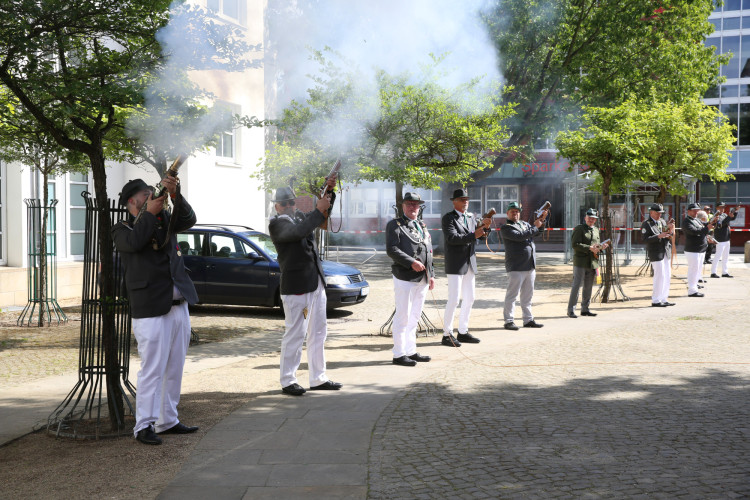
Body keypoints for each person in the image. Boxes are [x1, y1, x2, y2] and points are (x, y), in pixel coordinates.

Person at [112, 177, 200, 446]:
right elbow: (136, 242)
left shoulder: (164, 219)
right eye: (145, 195)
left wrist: (176, 194)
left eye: (153, 193)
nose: (152, 197)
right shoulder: (122, 228)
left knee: (175, 366)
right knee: (152, 369)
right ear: (132, 202)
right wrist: (150, 214)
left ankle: (168, 419)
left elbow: (189, 219)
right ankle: (144, 426)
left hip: (178, 305)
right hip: (150, 308)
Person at [268, 180, 342, 396]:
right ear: (277, 206)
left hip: (314, 282)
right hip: (297, 286)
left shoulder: (299, 217)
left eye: (291, 201)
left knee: (319, 332)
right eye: (284, 203)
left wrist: (329, 192)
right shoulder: (277, 224)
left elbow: (317, 216)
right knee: (295, 334)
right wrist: (318, 210)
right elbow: (300, 231)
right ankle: (288, 380)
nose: (290, 205)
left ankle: (318, 378)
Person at [386, 192, 435, 366]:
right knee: (403, 316)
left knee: (414, 316)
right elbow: (391, 249)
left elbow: (428, 250)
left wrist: (431, 274)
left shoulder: (421, 224)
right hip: (404, 276)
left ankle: (411, 350)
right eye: (409, 204)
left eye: (416, 204)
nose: (413, 207)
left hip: (422, 277)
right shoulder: (395, 225)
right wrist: (411, 262)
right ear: (403, 206)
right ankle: (398, 354)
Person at [440, 188, 490, 346]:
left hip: (470, 260)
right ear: (454, 202)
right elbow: (452, 238)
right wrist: (474, 235)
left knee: (470, 298)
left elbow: (480, 238)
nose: (465, 202)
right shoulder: (449, 218)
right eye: (462, 199)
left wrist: (485, 228)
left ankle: (463, 331)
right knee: (454, 299)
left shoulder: (471, 217)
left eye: (466, 199)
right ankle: (447, 334)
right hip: (456, 262)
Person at [499, 201, 548, 330]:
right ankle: (508, 320)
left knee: (528, 295)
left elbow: (537, 233)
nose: (515, 213)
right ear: (507, 213)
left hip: (529, 264)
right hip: (516, 265)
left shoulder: (524, 224)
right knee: (512, 295)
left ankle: (528, 319)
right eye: (512, 211)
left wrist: (541, 221)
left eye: (517, 211)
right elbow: (521, 236)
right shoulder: (506, 227)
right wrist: (535, 226)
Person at [567, 208, 608, 318]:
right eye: (589, 218)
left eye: (593, 218)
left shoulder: (596, 230)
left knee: (588, 287)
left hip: (592, 262)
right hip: (581, 262)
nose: (591, 220)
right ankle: (571, 310)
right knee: (576, 286)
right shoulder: (579, 229)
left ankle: (585, 309)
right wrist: (589, 248)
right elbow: (575, 244)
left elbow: (596, 245)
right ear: (585, 218)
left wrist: (602, 247)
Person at [640, 203, 675, 307]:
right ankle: (656, 300)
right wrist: (658, 236)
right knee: (660, 276)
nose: (659, 215)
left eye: (660, 213)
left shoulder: (662, 221)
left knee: (667, 275)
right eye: (657, 213)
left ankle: (664, 298)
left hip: (665, 251)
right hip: (655, 252)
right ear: (651, 212)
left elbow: (668, 235)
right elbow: (645, 239)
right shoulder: (647, 224)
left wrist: (670, 230)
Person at [682, 203, 714, 298]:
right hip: (693, 249)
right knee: (693, 269)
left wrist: (712, 222)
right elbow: (694, 232)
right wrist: (707, 228)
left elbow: (704, 226)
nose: (696, 212)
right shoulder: (686, 222)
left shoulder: (696, 220)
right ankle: (692, 290)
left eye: (697, 210)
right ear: (689, 211)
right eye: (694, 210)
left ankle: (694, 286)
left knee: (697, 269)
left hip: (700, 249)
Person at [710, 202, 737, 279]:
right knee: (718, 256)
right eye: (720, 207)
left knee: (726, 256)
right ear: (717, 208)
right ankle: (713, 272)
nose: (722, 209)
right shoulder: (716, 216)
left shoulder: (724, 215)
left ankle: (724, 272)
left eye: (723, 207)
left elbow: (732, 218)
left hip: (726, 238)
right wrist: (729, 217)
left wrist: (735, 211)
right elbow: (721, 224)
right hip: (720, 239)